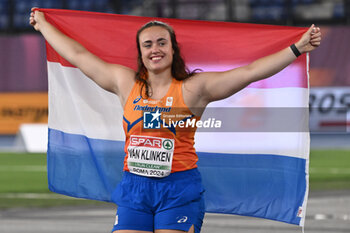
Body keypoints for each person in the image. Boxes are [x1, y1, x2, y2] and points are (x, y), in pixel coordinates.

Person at [29, 7, 321, 233]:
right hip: (134, 187)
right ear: (140, 53)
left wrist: (296, 48)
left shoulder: (194, 89)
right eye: (147, 45)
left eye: (161, 43)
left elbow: (250, 72)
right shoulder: (125, 83)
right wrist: (43, 25)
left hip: (178, 188)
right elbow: (79, 55)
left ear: (172, 48)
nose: (155, 49)